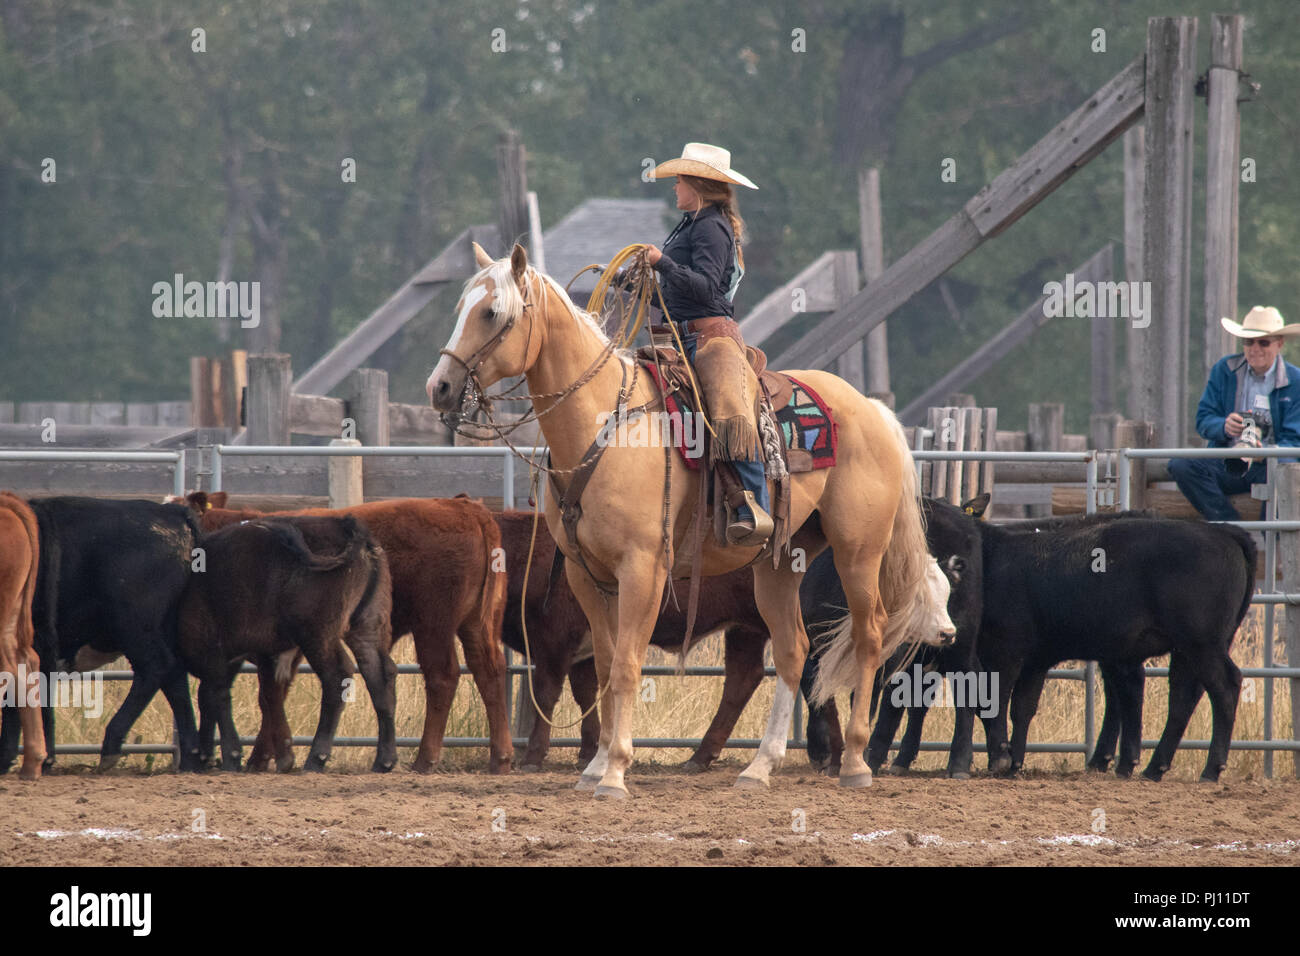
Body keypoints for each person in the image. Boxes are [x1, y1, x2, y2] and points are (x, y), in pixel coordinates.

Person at [638, 142, 772, 546]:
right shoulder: (689, 223)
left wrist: (662, 262)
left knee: (731, 412)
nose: (674, 185)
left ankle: (755, 507)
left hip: (712, 339)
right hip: (679, 336)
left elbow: (707, 286)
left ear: (697, 184)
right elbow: (678, 290)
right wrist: (640, 284)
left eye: (679, 179)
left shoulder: (711, 227)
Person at [1168, 306, 1300, 520]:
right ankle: (1232, 530)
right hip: (1228, 461)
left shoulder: (1296, 381)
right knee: (1181, 465)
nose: (1254, 348)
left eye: (1263, 342)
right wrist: (1224, 426)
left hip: (1271, 466)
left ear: (1279, 344)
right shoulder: (1224, 369)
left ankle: (1270, 536)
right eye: (1248, 341)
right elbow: (1203, 420)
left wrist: (1262, 452)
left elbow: (1294, 441)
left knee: (1286, 467)